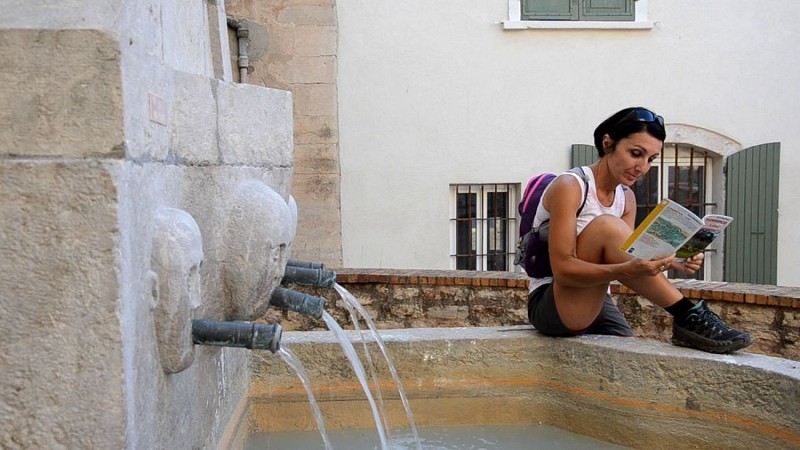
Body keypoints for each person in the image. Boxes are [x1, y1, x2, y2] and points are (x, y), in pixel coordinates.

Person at [527, 106, 753, 354]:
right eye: (636, 153)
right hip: (552, 302)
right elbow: (565, 271)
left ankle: (688, 318)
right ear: (608, 143)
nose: (642, 167)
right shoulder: (570, 186)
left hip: (596, 299)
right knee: (606, 226)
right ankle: (688, 315)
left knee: (626, 353)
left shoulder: (626, 198)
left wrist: (673, 260)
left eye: (651, 159)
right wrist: (627, 268)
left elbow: (626, 258)